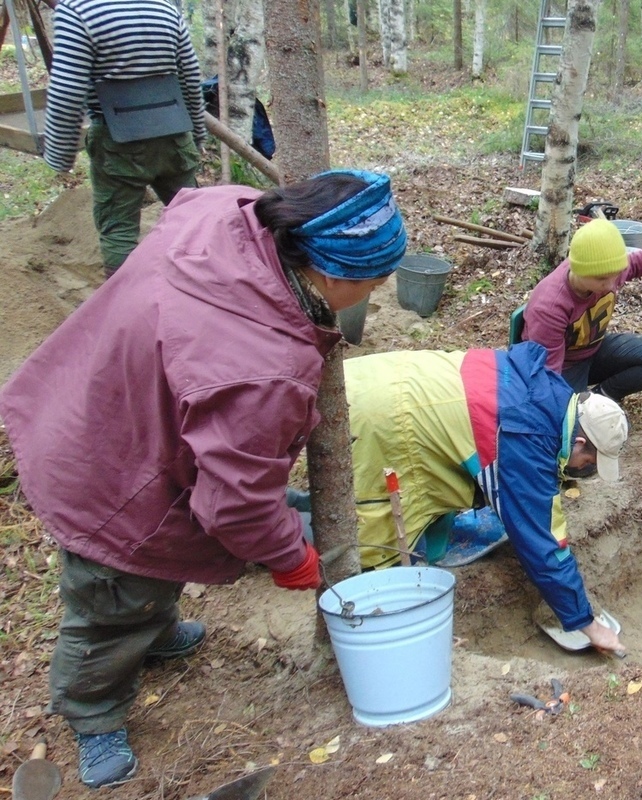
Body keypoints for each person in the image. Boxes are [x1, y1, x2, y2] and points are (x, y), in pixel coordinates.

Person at [0, 170, 408, 789]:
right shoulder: (264, 366)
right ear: (333, 276)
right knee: (114, 598)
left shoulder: (229, 216)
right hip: (112, 486)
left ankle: (156, 632)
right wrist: (286, 556)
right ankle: (93, 707)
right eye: (377, 281)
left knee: (148, 587)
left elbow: (231, 471)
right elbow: (236, 506)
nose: (379, 291)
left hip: (92, 398)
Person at [340, 341, 629, 655]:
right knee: (370, 538)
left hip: (383, 378)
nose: (582, 472)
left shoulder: (550, 394)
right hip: (381, 418)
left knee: (418, 489)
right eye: (587, 464)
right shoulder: (524, 436)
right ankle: (313, 559)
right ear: (580, 441)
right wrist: (585, 622)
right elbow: (543, 543)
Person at [41, 0, 207, 278]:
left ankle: (128, 307)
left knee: (118, 229)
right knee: (194, 221)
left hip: (119, 141)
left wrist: (59, 154)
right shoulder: (163, 7)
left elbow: (66, 92)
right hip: (175, 136)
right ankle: (206, 292)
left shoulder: (78, 11)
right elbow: (190, 77)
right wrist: (198, 134)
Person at [519, 210, 642, 404]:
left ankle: (603, 396)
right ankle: (587, 405)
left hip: (593, 351)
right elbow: (547, 375)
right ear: (580, 272)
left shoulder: (606, 270)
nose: (612, 284)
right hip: (564, 367)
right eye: (603, 279)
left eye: (616, 274)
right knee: (572, 419)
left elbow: (637, 263)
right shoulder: (550, 306)